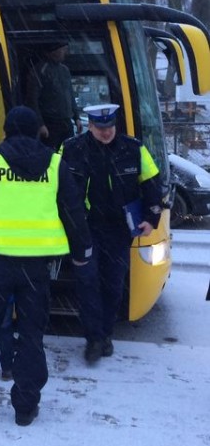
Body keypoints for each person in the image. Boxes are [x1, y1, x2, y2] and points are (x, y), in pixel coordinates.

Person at [0, 106, 91, 426]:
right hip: (36, 269)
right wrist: (82, 251)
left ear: (6, 130)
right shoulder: (55, 164)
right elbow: (74, 211)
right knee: (31, 335)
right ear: (39, 129)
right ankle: (25, 406)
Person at [61, 103, 163, 364]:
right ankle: (94, 339)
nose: (107, 133)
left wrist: (152, 218)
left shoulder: (134, 148)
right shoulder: (71, 149)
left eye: (110, 127)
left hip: (119, 230)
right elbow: (56, 189)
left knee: (114, 285)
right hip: (85, 229)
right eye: (100, 128)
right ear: (90, 126)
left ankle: (104, 334)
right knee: (87, 283)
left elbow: (152, 183)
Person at [25, 42, 82, 150]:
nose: (65, 52)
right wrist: (41, 124)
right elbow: (32, 100)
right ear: (53, 51)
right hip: (50, 123)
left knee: (69, 152)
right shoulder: (40, 70)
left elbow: (70, 95)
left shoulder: (65, 70)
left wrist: (77, 118)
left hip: (66, 122)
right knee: (50, 155)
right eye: (63, 49)